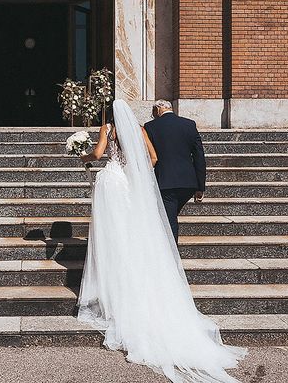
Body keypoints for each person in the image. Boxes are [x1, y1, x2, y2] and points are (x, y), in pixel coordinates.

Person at [78, 99, 245, 383]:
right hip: (133, 183)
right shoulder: (142, 129)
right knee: (131, 230)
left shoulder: (108, 128)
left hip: (110, 182)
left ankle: (113, 282)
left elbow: (97, 152)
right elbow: (154, 159)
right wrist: (138, 174)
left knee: (110, 233)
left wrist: (82, 158)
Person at [144, 99, 206, 243]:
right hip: (188, 182)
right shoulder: (189, 124)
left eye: (154, 112)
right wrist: (200, 186)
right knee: (168, 216)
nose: (153, 116)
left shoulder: (150, 126)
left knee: (169, 220)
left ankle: (172, 257)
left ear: (158, 110)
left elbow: (147, 154)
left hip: (165, 181)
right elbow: (199, 156)